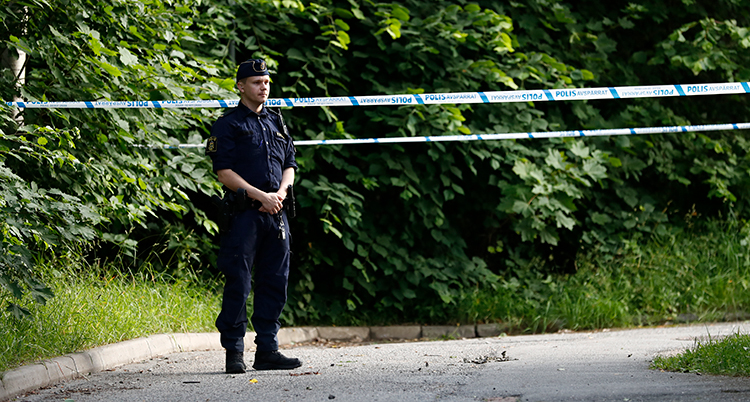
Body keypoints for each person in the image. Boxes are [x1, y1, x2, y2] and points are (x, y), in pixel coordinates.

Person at [206, 58, 301, 373]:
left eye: (267, 82)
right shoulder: (228, 124)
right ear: (241, 86)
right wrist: (259, 195)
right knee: (239, 281)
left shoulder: (277, 121)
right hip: (245, 214)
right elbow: (223, 171)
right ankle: (234, 352)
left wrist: (280, 195)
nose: (264, 87)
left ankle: (267, 350)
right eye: (257, 82)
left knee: (275, 281)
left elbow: (290, 163)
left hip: (277, 213)